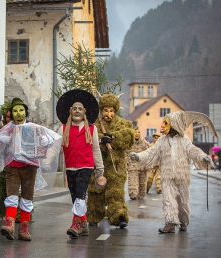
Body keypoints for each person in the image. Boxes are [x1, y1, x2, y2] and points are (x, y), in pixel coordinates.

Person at [129, 110, 216, 233]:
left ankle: (183, 221)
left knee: (182, 202)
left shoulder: (184, 140)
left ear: (174, 124)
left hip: (182, 177)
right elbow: (151, 152)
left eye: (166, 123)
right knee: (168, 200)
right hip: (167, 176)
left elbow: (193, 150)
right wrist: (138, 156)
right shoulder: (162, 140)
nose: (162, 125)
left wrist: (203, 157)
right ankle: (170, 223)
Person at [0, 97, 62, 241]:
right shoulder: (8, 129)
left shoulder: (35, 128)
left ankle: (24, 229)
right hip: (12, 167)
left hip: (30, 168)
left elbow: (48, 141)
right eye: (15, 111)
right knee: (12, 196)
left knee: (27, 197)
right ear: (11, 113)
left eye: (21, 110)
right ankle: (9, 226)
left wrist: (46, 142)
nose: (19, 113)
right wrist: (0, 141)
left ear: (26, 112)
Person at [56, 89, 105, 238]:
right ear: (70, 111)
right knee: (75, 196)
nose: (77, 111)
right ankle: (83, 224)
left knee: (80, 195)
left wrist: (100, 169)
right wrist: (45, 159)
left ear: (85, 112)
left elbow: (96, 149)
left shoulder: (92, 128)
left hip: (86, 167)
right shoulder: (63, 128)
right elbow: (55, 147)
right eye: (74, 108)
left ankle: (75, 223)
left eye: (80, 109)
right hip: (70, 167)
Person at [87, 93, 135, 229]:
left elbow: (128, 137)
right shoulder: (94, 124)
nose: (109, 113)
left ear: (115, 110)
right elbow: (88, 136)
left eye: (111, 110)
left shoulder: (123, 123)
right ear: (102, 110)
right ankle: (93, 216)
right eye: (106, 110)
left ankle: (119, 216)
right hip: (98, 165)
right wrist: (101, 139)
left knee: (115, 192)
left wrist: (114, 137)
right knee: (96, 191)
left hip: (116, 167)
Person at [126, 126, 150, 200]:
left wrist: (148, 164)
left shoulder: (145, 143)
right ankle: (133, 193)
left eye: (138, 132)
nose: (137, 134)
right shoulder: (129, 143)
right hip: (132, 164)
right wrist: (126, 162)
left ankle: (141, 193)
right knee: (132, 180)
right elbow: (126, 153)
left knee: (142, 181)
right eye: (135, 132)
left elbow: (149, 153)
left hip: (142, 164)